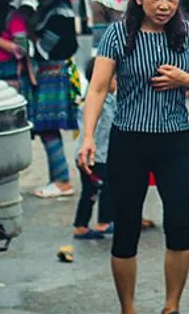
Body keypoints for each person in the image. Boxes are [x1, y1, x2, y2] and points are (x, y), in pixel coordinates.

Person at [78, 0, 189, 314]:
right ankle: (129, 307)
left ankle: (172, 306)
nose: (165, 5)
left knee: (179, 226)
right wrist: (89, 137)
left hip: (174, 142)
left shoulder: (187, 33)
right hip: (128, 141)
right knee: (126, 229)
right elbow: (96, 89)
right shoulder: (118, 35)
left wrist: (186, 80)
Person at [23, 0, 80, 201]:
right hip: (50, 72)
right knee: (48, 129)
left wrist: (30, 32)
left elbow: (46, 46)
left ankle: (62, 180)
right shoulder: (50, 8)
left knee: (48, 128)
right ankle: (58, 178)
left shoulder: (58, 12)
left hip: (53, 72)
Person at [73, 58, 116, 241]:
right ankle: (103, 223)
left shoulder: (99, 99)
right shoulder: (100, 104)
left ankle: (81, 225)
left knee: (90, 191)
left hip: (90, 156)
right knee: (106, 188)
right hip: (96, 157)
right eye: (114, 78)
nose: (117, 81)